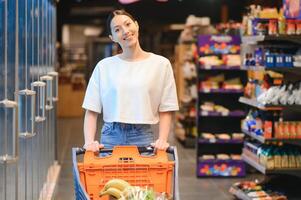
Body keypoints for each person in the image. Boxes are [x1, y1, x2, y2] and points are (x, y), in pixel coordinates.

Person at [82, 10, 179, 152]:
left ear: (137, 25)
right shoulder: (104, 67)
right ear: (112, 37)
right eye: (117, 29)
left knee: (144, 175)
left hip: (142, 136)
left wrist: (162, 140)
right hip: (110, 137)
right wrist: (89, 142)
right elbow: (91, 109)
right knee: (110, 175)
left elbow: (166, 108)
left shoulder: (161, 64)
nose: (125, 31)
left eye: (128, 24)